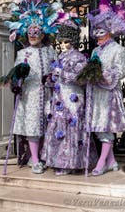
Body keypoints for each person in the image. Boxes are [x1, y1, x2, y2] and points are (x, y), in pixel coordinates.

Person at [4, 0, 61, 174]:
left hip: (48, 94)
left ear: (43, 33)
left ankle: (45, 156)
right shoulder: (22, 53)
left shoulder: (50, 51)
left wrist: (53, 78)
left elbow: (57, 70)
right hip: (30, 95)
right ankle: (34, 158)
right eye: (30, 32)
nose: (33, 35)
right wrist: (18, 79)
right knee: (33, 125)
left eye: (37, 31)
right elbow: (16, 75)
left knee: (47, 124)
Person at [83, 0, 125, 176]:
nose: (97, 35)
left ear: (110, 31)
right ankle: (112, 161)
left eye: (101, 31)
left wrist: (104, 75)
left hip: (108, 94)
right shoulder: (95, 51)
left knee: (105, 129)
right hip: (95, 94)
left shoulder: (118, 49)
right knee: (98, 128)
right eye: (95, 31)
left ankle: (101, 163)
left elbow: (121, 71)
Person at [41, 13, 98, 175]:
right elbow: (55, 79)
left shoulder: (79, 57)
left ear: (73, 41)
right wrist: (50, 79)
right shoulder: (59, 56)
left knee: (72, 128)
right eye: (61, 42)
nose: (63, 45)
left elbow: (81, 79)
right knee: (59, 128)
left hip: (73, 98)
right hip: (59, 99)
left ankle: (72, 163)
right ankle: (60, 161)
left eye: (67, 42)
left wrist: (63, 73)